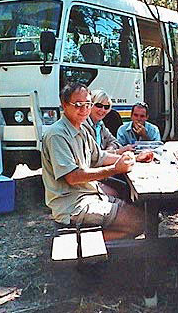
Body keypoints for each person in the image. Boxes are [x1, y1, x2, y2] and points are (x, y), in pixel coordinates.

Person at [41, 82, 144, 241]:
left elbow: (100, 157)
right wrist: (115, 169)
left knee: (143, 215)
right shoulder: (57, 135)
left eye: (87, 104)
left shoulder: (80, 128)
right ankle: (79, 241)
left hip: (89, 193)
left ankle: (92, 240)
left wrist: (135, 158)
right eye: (78, 105)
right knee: (140, 222)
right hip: (73, 205)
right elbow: (73, 177)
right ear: (64, 105)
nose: (84, 110)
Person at [85, 89, 134, 154]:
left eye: (106, 107)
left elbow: (115, 142)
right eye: (99, 105)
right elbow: (93, 156)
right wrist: (116, 152)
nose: (102, 110)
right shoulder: (84, 125)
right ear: (90, 105)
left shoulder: (100, 124)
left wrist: (110, 149)